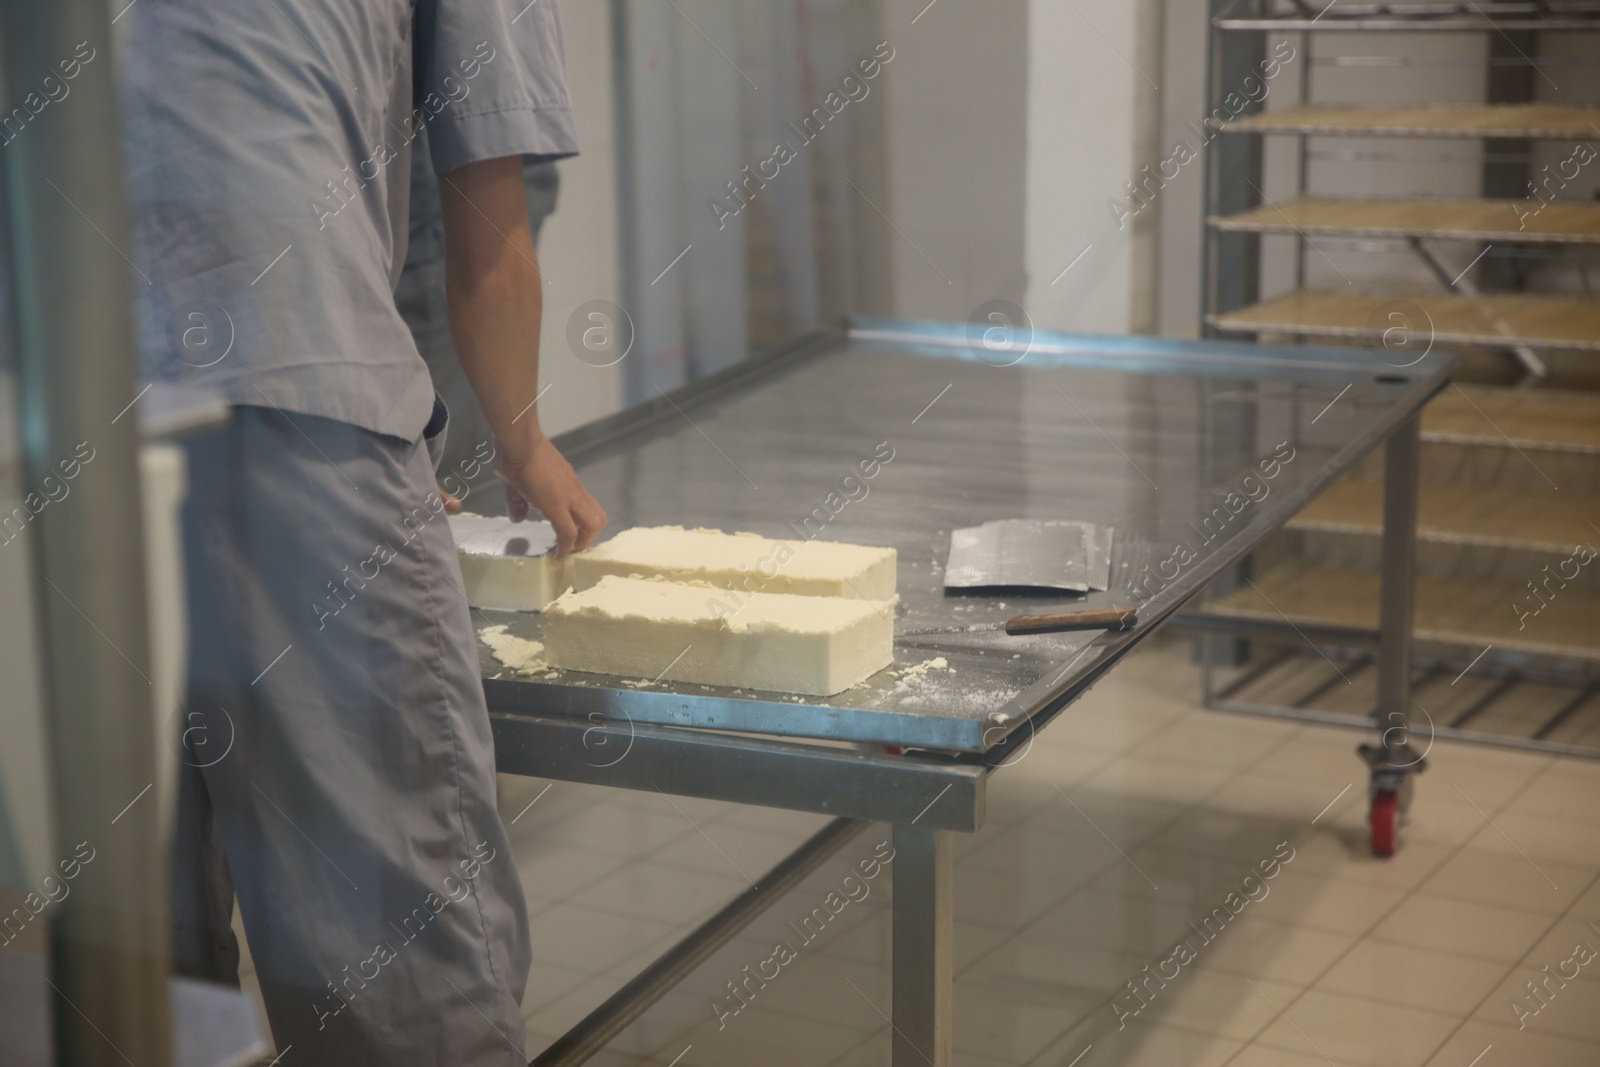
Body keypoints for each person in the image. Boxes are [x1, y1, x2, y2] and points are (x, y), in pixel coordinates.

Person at [120, 1, 606, 1062]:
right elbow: (487, 220)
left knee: (120, 966)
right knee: (390, 955)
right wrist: (517, 443)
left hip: (49, 418)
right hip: (297, 410)